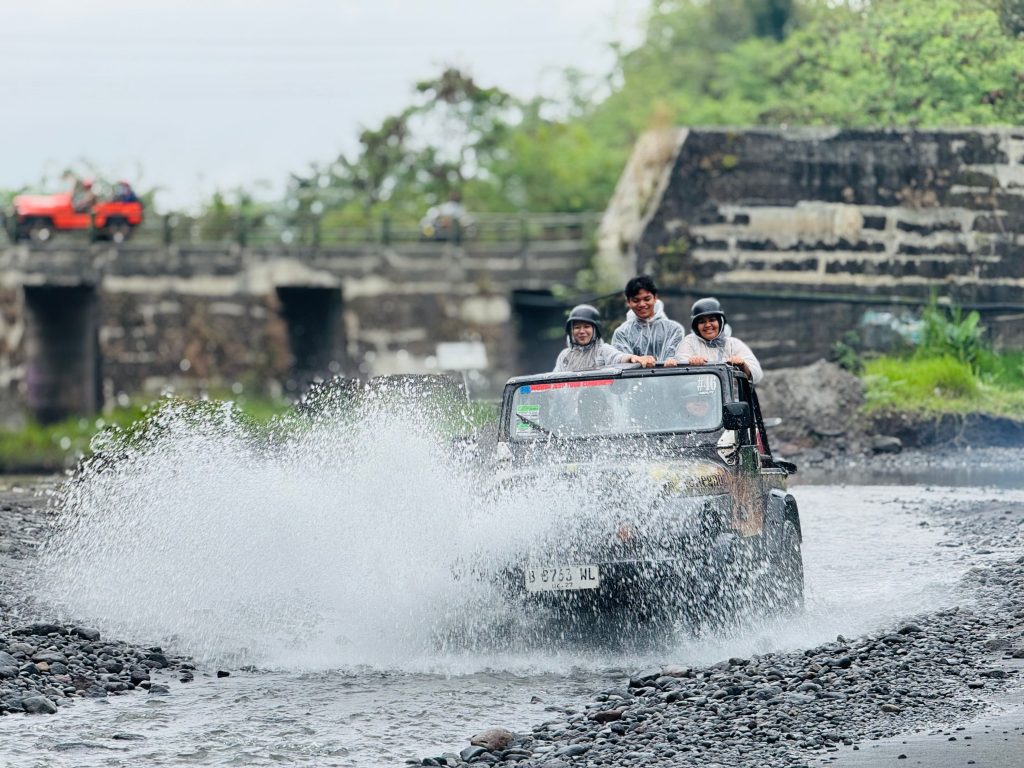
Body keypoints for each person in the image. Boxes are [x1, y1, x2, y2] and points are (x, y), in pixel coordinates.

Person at [675, 297, 763, 384]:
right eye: (702, 322)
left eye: (712, 320)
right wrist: (690, 364)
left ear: (721, 322)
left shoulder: (734, 344)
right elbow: (678, 373)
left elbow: (757, 374)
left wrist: (742, 365)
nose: (708, 325)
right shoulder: (688, 342)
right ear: (696, 326)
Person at [610, 275, 685, 368]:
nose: (642, 304)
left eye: (647, 299)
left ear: (655, 298)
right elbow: (621, 366)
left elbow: (678, 361)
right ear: (628, 302)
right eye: (636, 300)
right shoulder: (622, 334)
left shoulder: (674, 330)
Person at [553, 304, 646, 372]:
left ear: (596, 329)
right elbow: (555, 380)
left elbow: (617, 357)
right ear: (571, 331)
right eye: (577, 327)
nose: (581, 331)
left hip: (601, 398)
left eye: (586, 326)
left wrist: (631, 357)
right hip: (571, 399)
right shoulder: (565, 356)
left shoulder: (603, 350)